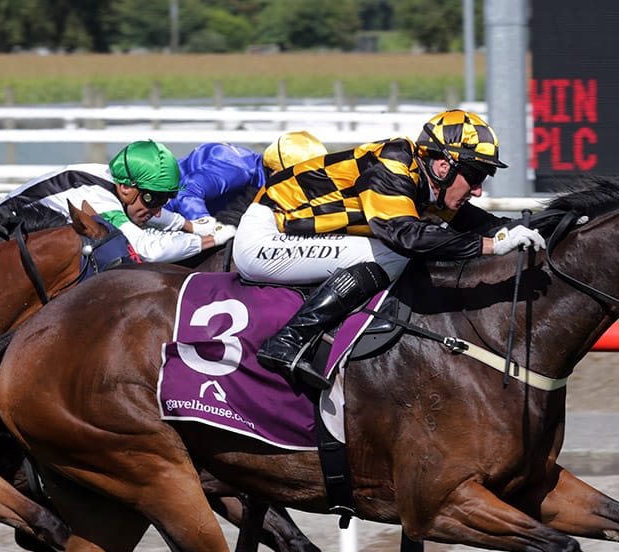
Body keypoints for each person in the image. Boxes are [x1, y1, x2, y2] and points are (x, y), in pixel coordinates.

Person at [232, 109, 546, 389]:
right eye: (475, 176)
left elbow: (487, 224)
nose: (478, 190)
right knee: (393, 253)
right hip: (264, 238)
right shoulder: (392, 165)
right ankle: (288, 340)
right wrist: (491, 246)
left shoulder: (428, 184)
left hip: (292, 235)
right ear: (441, 165)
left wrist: (556, 223)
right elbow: (406, 237)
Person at [0, 140, 235, 265]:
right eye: (153, 198)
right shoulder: (98, 197)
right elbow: (146, 250)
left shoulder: (118, 184)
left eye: (165, 199)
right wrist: (212, 241)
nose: (158, 209)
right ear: (126, 188)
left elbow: (151, 211)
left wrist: (190, 226)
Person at [165, 131, 327, 224]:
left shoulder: (261, 175)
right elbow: (186, 192)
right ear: (277, 175)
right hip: (156, 214)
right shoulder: (237, 170)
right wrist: (207, 226)